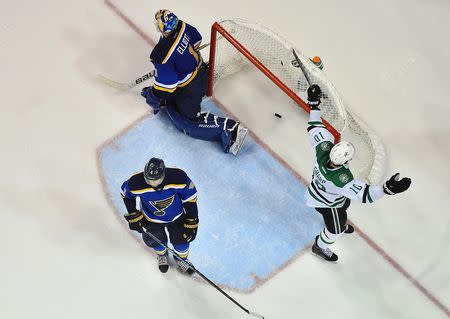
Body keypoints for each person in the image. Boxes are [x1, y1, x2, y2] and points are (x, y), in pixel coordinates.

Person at [304, 84, 412, 262]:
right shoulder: (341, 180)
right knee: (335, 229)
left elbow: (314, 127)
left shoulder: (322, 148)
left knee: (344, 204)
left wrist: (314, 105)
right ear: (345, 161)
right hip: (327, 203)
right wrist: (388, 188)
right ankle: (320, 246)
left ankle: (341, 222)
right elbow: (366, 196)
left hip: (323, 192)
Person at [140, 9, 248, 155]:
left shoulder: (161, 54)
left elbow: (169, 86)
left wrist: (155, 95)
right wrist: (181, 56)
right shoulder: (181, 26)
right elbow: (197, 40)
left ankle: (231, 130)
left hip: (190, 89)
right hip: (203, 73)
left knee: (187, 122)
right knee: (170, 99)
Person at [120, 157, 199, 273]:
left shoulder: (178, 178)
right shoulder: (136, 183)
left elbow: (190, 198)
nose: (152, 184)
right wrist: (134, 215)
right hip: (151, 219)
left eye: (155, 180)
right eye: (149, 180)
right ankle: (162, 255)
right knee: (156, 242)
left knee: (182, 243)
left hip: (177, 217)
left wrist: (192, 220)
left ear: (163, 175)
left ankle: (181, 259)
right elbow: (125, 195)